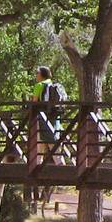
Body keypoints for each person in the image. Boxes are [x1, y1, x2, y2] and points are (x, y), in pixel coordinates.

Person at [31, 66, 67, 205]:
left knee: (39, 144)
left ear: (41, 75)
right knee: (54, 143)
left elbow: (34, 102)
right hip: (54, 119)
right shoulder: (54, 86)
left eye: (37, 73)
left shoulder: (39, 85)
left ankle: (36, 168)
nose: (36, 75)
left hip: (43, 119)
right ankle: (62, 168)